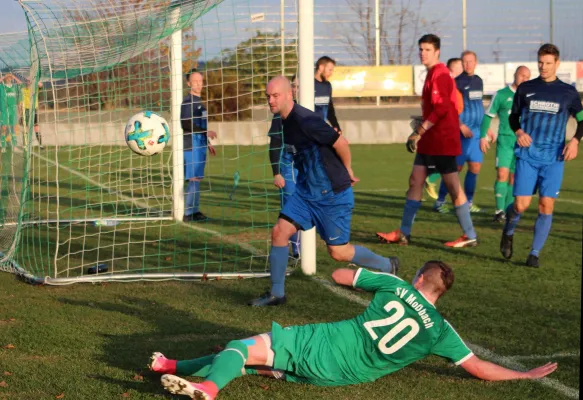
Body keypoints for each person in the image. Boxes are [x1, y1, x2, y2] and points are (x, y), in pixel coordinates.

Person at [148, 261, 558, 399]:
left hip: (329, 343)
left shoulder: (395, 284)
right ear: (440, 293)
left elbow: (340, 274)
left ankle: (209, 390)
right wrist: (523, 375)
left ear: (417, 277)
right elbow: (480, 368)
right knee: (251, 362)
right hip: (343, 375)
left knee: (239, 345)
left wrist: (366, 269)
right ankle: (174, 364)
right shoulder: (439, 330)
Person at [249, 76, 398, 306]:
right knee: (280, 232)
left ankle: (388, 266)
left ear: (290, 94)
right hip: (306, 194)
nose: (270, 100)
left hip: (332, 195)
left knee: (338, 253)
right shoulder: (283, 122)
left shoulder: (306, 120)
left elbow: (341, 143)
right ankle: (276, 294)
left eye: (275, 95)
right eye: (268, 96)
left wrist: (348, 170)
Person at [376, 34, 478, 248]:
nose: (423, 53)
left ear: (437, 52)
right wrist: (422, 124)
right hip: (431, 139)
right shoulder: (433, 73)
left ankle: (469, 234)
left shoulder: (440, 74)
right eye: (421, 49)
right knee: (415, 180)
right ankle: (404, 233)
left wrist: (419, 130)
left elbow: (442, 108)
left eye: (427, 50)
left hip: (442, 141)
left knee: (452, 186)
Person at [500, 43, 583, 268]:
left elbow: (582, 120)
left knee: (546, 205)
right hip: (528, 155)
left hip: (554, 158)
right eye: (540, 62)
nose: (543, 67)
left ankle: (534, 254)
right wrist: (518, 131)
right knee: (520, 205)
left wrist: (575, 141)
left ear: (557, 63)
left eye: (548, 63)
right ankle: (509, 229)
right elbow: (513, 117)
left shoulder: (568, 92)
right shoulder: (526, 88)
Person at [434, 51, 484, 213]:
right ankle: (440, 201)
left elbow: (479, 106)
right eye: (465, 62)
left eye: (470, 61)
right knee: (455, 169)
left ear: (476, 62)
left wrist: (486, 128)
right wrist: (460, 125)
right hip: (460, 134)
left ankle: (469, 202)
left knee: (475, 168)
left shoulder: (479, 82)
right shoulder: (456, 83)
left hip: (476, 133)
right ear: (462, 63)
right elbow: (450, 108)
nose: (468, 64)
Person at [480, 66, 531, 222]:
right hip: (505, 141)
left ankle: (508, 210)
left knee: (514, 178)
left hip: (522, 143)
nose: (525, 79)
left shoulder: (529, 97)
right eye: (522, 75)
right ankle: (499, 210)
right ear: (515, 75)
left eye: (528, 77)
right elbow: (488, 116)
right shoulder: (501, 94)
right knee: (502, 174)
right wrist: (483, 136)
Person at [268, 74, 300, 259]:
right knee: (290, 208)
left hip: (306, 169)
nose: (296, 89)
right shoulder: (279, 115)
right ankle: (294, 250)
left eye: (299, 85)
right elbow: (274, 145)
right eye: (294, 85)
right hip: (287, 169)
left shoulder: (307, 113)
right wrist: (277, 173)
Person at [425, 57, 464, 200]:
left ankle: (416, 190)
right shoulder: (446, 80)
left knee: (454, 165)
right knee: (450, 166)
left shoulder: (454, 83)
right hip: (446, 131)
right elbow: (444, 108)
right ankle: (445, 199)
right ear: (453, 68)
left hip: (450, 129)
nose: (463, 67)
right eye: (460, 65)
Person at [180, 69, 217, 222]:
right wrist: (205, 132)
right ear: (188, 83)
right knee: (193, 178)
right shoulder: (188, 102)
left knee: (197, 179)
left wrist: (207, 142)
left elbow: (199, 124)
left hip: (200, 144)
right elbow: (186, 123)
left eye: (200, 81)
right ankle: (188, 212)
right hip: (191, 143)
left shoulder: (199, 103)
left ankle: (194, 210)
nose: (198, 84)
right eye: (194, 81)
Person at [314, 56, 342, 134]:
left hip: (321, 129)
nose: (331, 73)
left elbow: (329, 108)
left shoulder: (327, 85)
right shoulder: (309, 85)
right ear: (321, 67)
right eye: (329, 70)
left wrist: (336, 126)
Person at [0, 73, 22, 152]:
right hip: (4, 109)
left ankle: (14, 146)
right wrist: (4, 76)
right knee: (4, 127)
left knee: (13, 127)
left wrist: (13, 76)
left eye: (10, 77)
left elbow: (20, 83)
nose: (9, 78)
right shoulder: (2, 87)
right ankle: (3, 146)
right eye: (7, 77)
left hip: (12, 109)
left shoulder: (14, 87)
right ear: (5, 78)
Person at [21, 80, 44, 149]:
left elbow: (41, 85)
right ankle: (25, 145)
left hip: (34, 109)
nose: (28, 82)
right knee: (26, 128)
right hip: (26, 110)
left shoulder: (34, 89)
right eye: (26, 81)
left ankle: (40, 145)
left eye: (29, 81)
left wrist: (34, 80)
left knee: (36, 127)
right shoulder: (22, 89)